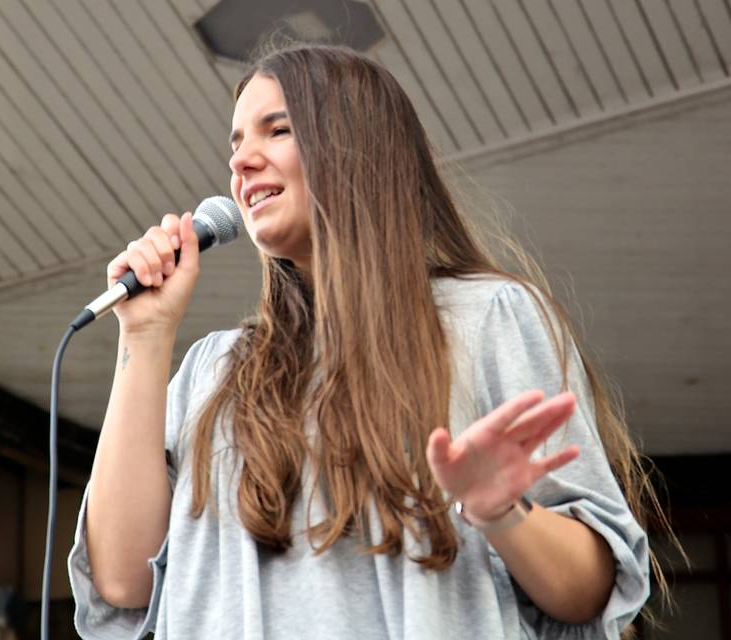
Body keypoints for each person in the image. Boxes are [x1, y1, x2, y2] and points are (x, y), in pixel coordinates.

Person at [68, 43, 662, 639]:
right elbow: (122, 583)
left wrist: (498, 509)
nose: (241, 162)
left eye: (277, 130)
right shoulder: (212, 370)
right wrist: (145, 336)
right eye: (235, 143)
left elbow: (590, 591)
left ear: (356, 148)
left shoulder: (485, 317)